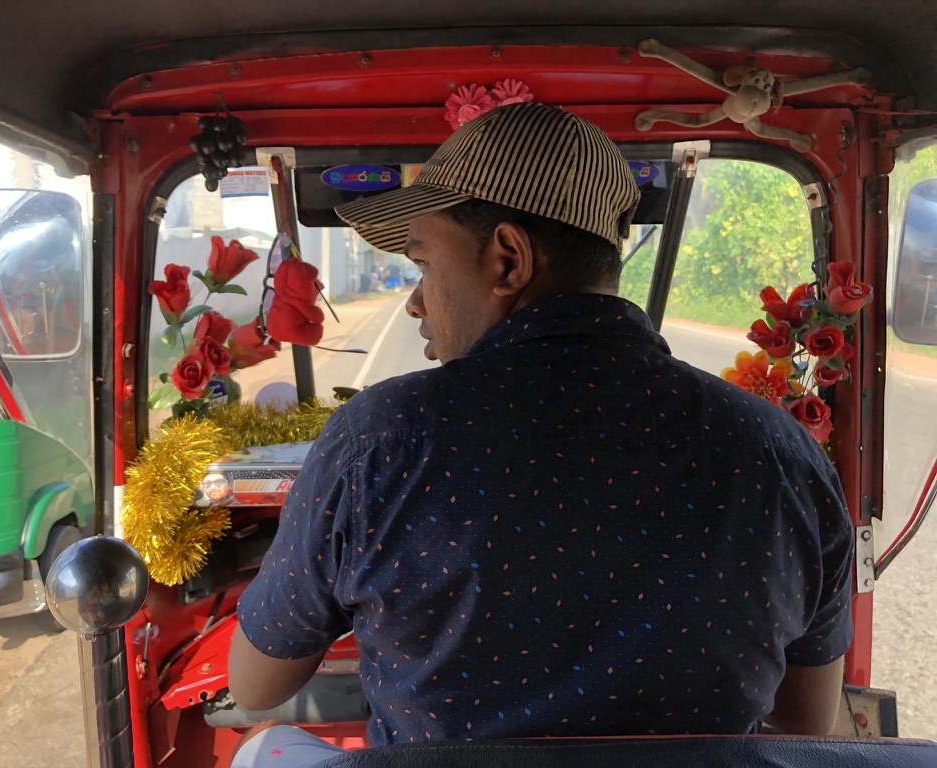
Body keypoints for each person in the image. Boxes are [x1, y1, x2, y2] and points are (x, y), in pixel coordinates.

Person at [228, 102, 854, 766]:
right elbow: (808, 717)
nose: (415, 301)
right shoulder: (780, 452)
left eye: (423, 266)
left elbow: (256, 682)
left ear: (507, 259)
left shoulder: (379, 441)